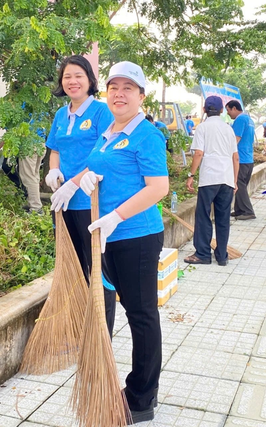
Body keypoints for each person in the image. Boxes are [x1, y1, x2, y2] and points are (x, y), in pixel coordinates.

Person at [51, 61, 168, 424]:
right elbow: (99, 167)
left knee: (141, 315)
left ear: (141, 96)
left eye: (128, 88)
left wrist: (117, 216)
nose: (119, 94)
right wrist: (79, 181)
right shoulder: (111, 133)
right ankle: (137, 388)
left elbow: (158, 187)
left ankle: (141, 397)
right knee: (130, 309)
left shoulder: (146, 134)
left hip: (136, 236)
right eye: (114, 87)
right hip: (108, 236)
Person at [43, 55, 116, 320]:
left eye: (78, 76)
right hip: (64, 204)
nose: (72, 81)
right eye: (67, 77)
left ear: (89, 80)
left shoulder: (101, 111)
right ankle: (78, 326)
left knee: (97, 270)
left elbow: (103, 155)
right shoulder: (61, 115)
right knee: (71, 268)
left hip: (91, 203)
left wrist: (74, 184)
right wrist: (54, 170)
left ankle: (101, 333)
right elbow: (55, 149)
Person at [185, 96, 239, 266]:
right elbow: (235, 157)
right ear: (222, 110)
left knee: (203, 216)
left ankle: (202, 254)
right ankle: (222, 256)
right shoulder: (228, 129)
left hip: (209, 178)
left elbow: (199, 153)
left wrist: (191, 175)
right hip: (226, 179)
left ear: (204, 110)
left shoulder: (202, 128)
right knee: (223, 218)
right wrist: (235, 181)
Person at [225, 100, 255, 220]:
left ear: (234, 108)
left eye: (228, 110)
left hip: (241, 158)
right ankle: (239, 210)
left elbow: (235, 140)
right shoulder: (249, 119)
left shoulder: (240, 120)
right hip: (248, 158)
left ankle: (248, 211)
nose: (228, 113)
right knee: (241, 185)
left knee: (239, 184)